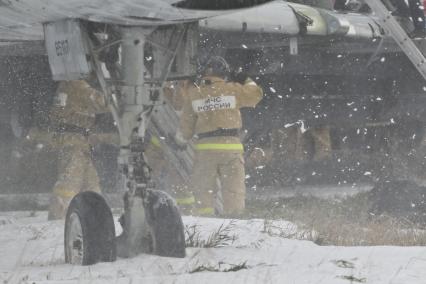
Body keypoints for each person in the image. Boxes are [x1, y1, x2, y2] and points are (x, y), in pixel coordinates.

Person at [175, 56, 263, 216]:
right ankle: (234, 223)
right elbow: (256, 95)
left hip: (205, 150)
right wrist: (245, 78)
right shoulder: (233, 89)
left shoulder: (195, 94)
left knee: (203, 191)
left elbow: (186, 127)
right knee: (234, 191)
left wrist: (179, 141)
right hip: (231, 149)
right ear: (224, 74)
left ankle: (205, 223)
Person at [46, 80, 110, 220]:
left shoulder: (67, 85)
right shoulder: (76, 84)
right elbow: (102, 102)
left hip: (77, 141)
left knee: (91, 184)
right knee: (69, 182)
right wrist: (123, 97)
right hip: (73, 142)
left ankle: (96, 219)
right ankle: (58, 218)